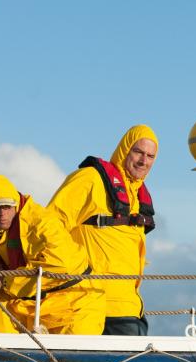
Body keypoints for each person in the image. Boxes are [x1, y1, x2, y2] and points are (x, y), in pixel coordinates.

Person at [48, 124, 158, 335]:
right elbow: (50, 225)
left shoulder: (139, 198)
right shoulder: (90, 179)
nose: (144, 161)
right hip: (87, 304)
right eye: (138, 152)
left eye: (150, 156)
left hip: (129, 307)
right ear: (125, 149)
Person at [0, 175, 105, 334]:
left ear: (16, 203)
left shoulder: (43, 223)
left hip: (75, 301)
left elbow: (60, 266)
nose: (2, 213)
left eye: (7, 206)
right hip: (27, 306)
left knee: (72, 356)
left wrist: (6, 279)